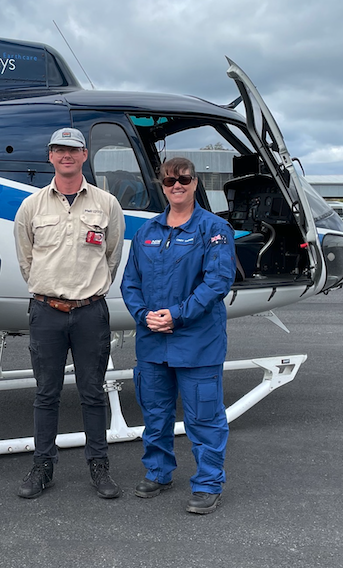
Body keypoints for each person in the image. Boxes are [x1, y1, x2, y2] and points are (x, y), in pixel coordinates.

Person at [13, 127, 125, 500]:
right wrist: (51, 290)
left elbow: (111, 257)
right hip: (46, 311)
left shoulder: (106, 204)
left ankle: (99, 466)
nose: (66, 156)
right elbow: (26, 260)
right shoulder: (32, 206)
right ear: (50, 156)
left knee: (93, 393)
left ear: (84, 155)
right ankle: (43, 465)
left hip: (91, 311)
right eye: (59, 150)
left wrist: (86, 291)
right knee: (46, 393)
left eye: (73, 150)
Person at [120, 156, 235, 515]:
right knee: (155, 413)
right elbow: (130, 282)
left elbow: (218, 281)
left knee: (203, 417)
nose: (177, 186)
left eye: (184, 179)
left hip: (197, 344)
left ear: (195, 182)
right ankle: (158, 472)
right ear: (163, 185)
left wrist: (178, 316)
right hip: (153, 341)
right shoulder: (147, 232)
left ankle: (207, 483)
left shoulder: (214, 229)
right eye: (170, 181)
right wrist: (143, 315)